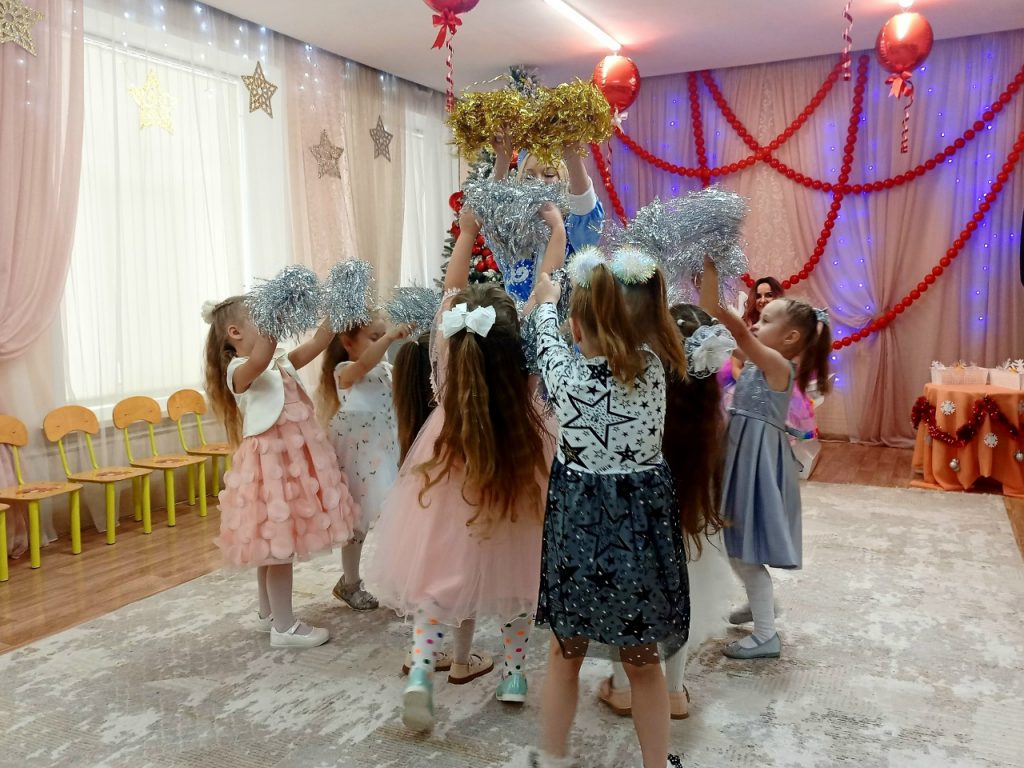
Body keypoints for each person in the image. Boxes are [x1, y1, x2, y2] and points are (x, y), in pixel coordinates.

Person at [365, 202, 562, 733]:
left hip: (449, 458)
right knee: (521, 573)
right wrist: (557, 229)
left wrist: (468, 230)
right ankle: (514, 676)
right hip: (519, 459)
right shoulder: (526, 348)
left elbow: (452, 287)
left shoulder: (448, 343)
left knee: (437, 573)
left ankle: (421, 674)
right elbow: (548, 283)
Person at [531, 257, 687, 768]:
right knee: (643, 662)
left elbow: (544, 332)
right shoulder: (657, 370)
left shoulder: (565, 377)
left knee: (564, 653)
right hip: (637, 543)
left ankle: (550, 758)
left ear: (577, 326)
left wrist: (549, 299)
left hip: (577, 538)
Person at [599, 254, 733, 721]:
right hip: (692, 524)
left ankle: (622, 687)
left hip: (636, 521)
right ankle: (674, 691)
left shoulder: (641, 397)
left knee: (627, 599)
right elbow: (706, 326)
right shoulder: (711, 423)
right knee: (682, 601)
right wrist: (710, 273)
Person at [203, 296, 357, 648]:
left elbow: (317, 343)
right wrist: (277, 313)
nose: (271, 325)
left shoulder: (281, 362)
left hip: (293, 463)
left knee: (270, 545)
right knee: (279, 547)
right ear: (235, 332)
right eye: (262, 319)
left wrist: (336, 311)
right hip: (270, 467)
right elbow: (260, 357)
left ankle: (268, 614)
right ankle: (285, 628)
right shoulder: (239, 370)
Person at [715, 298, 832, 659]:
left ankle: (766, 635)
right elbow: (729, 343)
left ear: (790, 337)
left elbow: (739, 336)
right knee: (734, 542)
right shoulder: (757, 361)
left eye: (765, 321)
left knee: (745, 550)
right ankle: (761, 603)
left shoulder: (777, 365)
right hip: (741, 460)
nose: (755, 324)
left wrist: (717, 300)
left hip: (756, 466)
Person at [318, 315, 413, 611]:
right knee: (358, 522)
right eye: (375, 337)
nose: (383, 341)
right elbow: (362, 366)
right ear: (348, 343)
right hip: (359, 456)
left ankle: (401, 583)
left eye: (383, 335)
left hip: (386, 450)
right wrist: (389, 338)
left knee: (396, 519)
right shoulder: (344, 371)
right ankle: (350, 582)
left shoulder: (387, 370)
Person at [490, 133, 604, 305]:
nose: (538, 183)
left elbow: (584, 206)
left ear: (563, 179)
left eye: (549, 174)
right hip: (518, 321)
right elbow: (492, 213)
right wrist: (502, 158)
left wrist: (572, 155)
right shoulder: (514, 229)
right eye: (529, 177)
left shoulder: (575, 228)